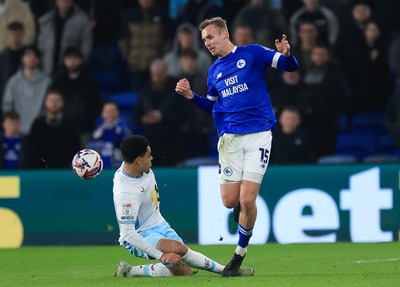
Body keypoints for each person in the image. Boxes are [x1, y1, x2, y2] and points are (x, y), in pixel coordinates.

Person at [175, 17, 299, 276]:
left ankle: (239, 253)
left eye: (209, 37)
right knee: (230, 201)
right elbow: (212, 106)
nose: (206, 43)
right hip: (229, 140)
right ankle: (240, 210)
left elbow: (288, 66)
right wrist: (191, 97)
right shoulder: (213, 71)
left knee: (247, 199)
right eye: (204, 40)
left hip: (259, 135)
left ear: (224, 34)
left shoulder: (252, 53)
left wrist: (288, 54)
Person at [113, 135, 254, 277]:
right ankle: (227, 270)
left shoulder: (139, 167)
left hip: (159, 223)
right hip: (140, 234)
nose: (152, 158)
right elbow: (128, 234)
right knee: (177, 249)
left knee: (183, 271)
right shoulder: (125, 192)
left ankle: (130, 271)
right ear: (138, 160)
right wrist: (160, 256)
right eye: (148, 155)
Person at [24, 89, 80, 168]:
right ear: (45, 103)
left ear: (62, 103)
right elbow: (32, 150)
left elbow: (76, 148)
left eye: (57, 101)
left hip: (64, 170)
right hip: (41, 171)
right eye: (51, 100)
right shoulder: (38, 124)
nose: (54, 103)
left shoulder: (70, 123)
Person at [2, 45, 51, 137]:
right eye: (28, 55)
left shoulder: (46, 82)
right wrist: (12, 124)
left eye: (34, 56)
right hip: (16, 131)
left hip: (39, 130)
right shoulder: (13, 81)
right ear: (22, 58)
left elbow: (49, 106)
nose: (31, 58)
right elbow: (7, 104)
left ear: (38, 60)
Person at [37, 0, 92, 75]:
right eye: (62, 1)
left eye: (67, 1)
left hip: (70, 66)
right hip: (48, 65)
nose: (64, 3)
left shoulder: (82, 19)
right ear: (56, 2)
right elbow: (41, 44)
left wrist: (81, 61)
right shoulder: (46, 20)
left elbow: (87, 42)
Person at [89, 101, 131, 168]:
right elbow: (91, 152)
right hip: (101, 169)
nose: (110, 114)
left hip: (121, 168)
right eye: (108, 111)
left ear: (117, 112)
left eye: (113, 111)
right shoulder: (96, 133)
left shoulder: (125, 131)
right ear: (102, 113)